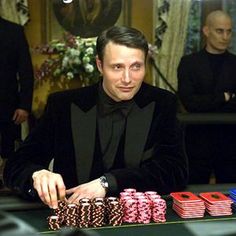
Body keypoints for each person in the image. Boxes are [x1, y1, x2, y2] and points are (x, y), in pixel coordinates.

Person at [4, 26, 188, 209]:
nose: (127, 78)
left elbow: (175, 171)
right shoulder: (63, 105)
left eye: (136, 67)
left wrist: (108, 182)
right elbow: (15, 165)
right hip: (75, 222)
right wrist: (36, 174)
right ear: (100, 65)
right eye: (117, 67)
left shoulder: (164, 103)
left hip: (139, 222)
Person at [178, 10, 236, 184]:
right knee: (193, 200)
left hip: (230, 141)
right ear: (206, 31)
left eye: (229, 31)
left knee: (231, 198)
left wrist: (209, 101)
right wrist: (225, 97)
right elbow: (190, 103)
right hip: (197, 141)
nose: (225, 36)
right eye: (220, 31)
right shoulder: (189, 63)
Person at [0, 17, 34, 178]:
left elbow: (26, 70)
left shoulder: (14, 31)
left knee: (8, 148)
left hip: (8, 104)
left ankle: (8, 179)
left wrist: (25, 105)